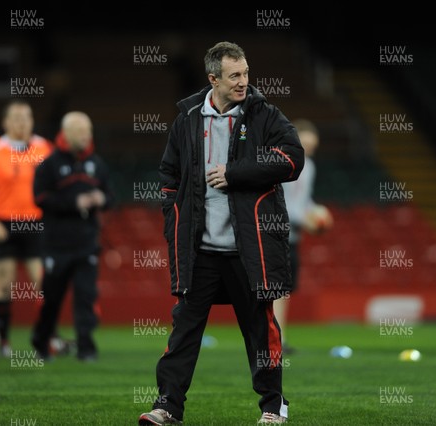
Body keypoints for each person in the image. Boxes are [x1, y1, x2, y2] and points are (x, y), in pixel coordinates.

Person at [138, 41, 304, 425]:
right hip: (201, 251)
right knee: (184, 332)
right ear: (213, 78)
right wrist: (172, 216)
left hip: (249, 248)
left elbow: (293, 158)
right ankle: (167, 407)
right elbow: (168, 177)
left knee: (261, 331)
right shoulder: (187, 119)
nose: (243, 82)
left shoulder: (265, 115)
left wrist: (235, 173)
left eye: (245, 73)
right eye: (235, 76)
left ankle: (273, 406)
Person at [31, 111, 114, 362]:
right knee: (52, 298)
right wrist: (73, 201)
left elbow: (111, 196)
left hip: (87, 242)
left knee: (86, 295)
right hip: (57, 244)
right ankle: (41, 340)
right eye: (80, 131)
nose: (86, 136)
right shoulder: (50, 165)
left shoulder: (97, 163)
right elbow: (40, 198)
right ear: (66, 133)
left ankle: (86, 347)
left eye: (88, 130)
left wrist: (101, 199)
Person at [0, 100, 53, 357]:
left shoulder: (45, 148)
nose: (22, 122)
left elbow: (55, 186)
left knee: (43, 282)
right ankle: (3, 341)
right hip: (5, 225)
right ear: (5, 122)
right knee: (4, 284)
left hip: (36, 223)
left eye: (26, 117)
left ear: (32, 121)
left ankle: (45, 340)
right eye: (16, 118)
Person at [275, 118, 320, 354]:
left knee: (283, 291)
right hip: (275, 234)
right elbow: (284, 204)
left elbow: (303, 202)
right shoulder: (283, 164)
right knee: (277, 290)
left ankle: (278, 338)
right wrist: (309, 221)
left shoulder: (309, 167)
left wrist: (316, 212)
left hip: (292, 236)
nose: (309, 151)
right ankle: (274, 340)